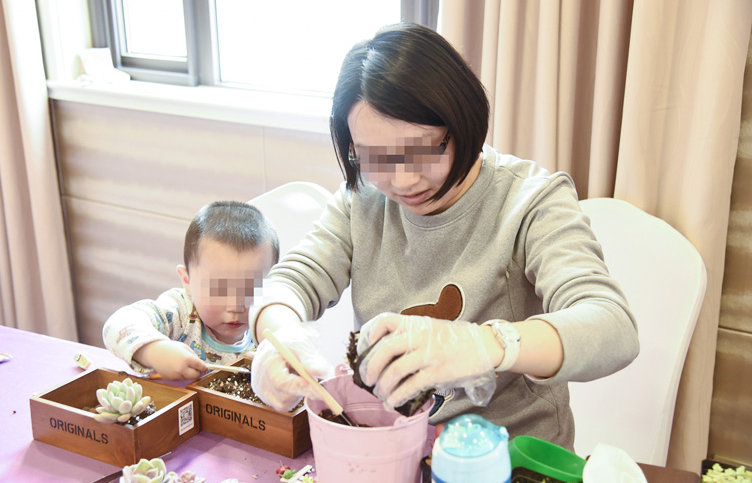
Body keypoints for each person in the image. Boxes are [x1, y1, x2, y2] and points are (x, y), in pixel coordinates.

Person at [249, 22, 639, 449]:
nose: (403, 180)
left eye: (422, 149)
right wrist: (278, 339)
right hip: (391, 450)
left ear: (462, 119)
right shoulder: (361, 199)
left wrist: (485, 344)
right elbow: (292, 282)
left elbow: (613, 327)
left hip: (508, 462)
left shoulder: (531, 200)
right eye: (375, 160)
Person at [103, 201, 279, 381]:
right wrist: (155, 350)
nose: (235, 306)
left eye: (251, 290)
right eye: (219, 289)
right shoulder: (181, 312)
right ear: (187, 280)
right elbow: (116, 324)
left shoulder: (272, 320)